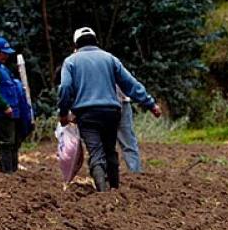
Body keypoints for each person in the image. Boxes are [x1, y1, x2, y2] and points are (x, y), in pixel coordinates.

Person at [58, 27, 161, 191]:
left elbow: (65, 87)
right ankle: (115, 189)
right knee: (110, 151)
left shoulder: (71, 61)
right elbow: (130, 84)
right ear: (96, 41)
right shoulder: (110, 59)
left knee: (96, 152)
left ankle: (102, 191)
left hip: (87, 114)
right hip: (111, 112)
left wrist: (63, 113)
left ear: (76, 45)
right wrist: (150, 104)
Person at [0, 37, 32, 173]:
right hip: (2, 112)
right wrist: (4, 106)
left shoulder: (1, 66)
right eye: (4, 52)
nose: (6, 55)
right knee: (6, 142)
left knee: (14, 141)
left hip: (12, 110)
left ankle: (13, 169)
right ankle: (6, 172)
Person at [116, 87, 142, 173]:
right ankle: (135, 173)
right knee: (128, 142)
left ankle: (104, 176)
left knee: (103, 144)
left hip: (99, 104)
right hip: (121, 101)